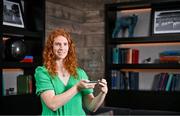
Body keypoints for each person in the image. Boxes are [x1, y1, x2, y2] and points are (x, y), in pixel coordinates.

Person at [34, 28, 108, 115]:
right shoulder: (42, 73)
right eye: (58, 44)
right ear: (51, 47)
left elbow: (91, 107)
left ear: (69, 47)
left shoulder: (80, 73)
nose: (62, 47)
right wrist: (77, 87)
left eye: (65, 44)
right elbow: (52, 104)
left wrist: (102, 93)